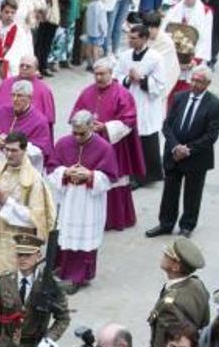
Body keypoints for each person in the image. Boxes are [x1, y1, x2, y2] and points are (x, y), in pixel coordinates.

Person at [0, 132, 57, 296]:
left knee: (11, 296)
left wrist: (8, 204)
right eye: (6, 150)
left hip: (16, 243)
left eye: (14, 150)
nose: (9, 154)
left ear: (24, 150)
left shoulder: (34, 180)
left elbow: (36, 219)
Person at [46, 112, 120, 292]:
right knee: (66, 232)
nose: (78, 137)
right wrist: (65, 172)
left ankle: (78, 277)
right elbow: (51, 168)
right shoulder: (63, 143)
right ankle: (62, 270)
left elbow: (110, 177)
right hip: (68, 198)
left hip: (89, 202)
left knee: (83, 238)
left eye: (82, 133)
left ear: (91, 127)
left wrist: (90, 175)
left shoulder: (104, 148)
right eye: (75, 133)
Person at [147, 65, 219, 238]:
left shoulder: (215, 104)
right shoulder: (179, 97)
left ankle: (187, 225)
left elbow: (211, 135)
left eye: (199, 81)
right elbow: (167, 125)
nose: (194, 84)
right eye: (193, 80)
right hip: (174, 154)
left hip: (196, 157)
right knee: (169, 191)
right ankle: (165, 223)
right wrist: (175, 146)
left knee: (193, 193)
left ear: (208, 84)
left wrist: (188, 149)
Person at [69, 61, 141, 232]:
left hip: (113, 145)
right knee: (90, 179)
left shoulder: (122, 94)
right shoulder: (87, 92)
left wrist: (106, 127)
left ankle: (114, 220)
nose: (99, 77)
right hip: (89, 144)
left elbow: (128, 120)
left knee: (111, 180)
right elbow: (75, 114)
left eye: (102, 74)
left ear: (111, 73)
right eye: (96, 74)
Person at [114, 24, 166, 188]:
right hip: (129, 100)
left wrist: (142, 80)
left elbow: (160, 84)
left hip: (146, 103)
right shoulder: (125, 56)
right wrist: (128, 79)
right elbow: (117, 76)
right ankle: (128, 173)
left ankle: (144, 176)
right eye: (129, 37)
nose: (129, 40)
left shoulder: (155, 58)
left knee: (145, 138)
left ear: (144, 39)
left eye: (134, 38)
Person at [147, 238, 211, 347]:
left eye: (168, 255)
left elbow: (163, 343)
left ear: (175, 267)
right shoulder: (197, 284)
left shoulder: (169, 305)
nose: (164, 254)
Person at [0, 81, 53, 164]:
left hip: (24, 168)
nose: (15, 99)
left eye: (19, 96)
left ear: (29, 98)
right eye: (13, 95)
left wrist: (16, 145)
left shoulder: (40, 121)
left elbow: (40, 151)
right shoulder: (1, 112)